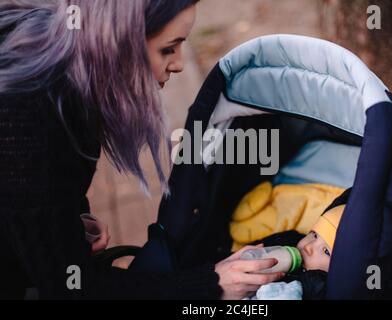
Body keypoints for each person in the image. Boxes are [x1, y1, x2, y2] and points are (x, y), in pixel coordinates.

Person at [0, 0, 283, 299]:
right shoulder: (33, 125)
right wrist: (211, 284)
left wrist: (64, 220)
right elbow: (74, 288)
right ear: (119, 43)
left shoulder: (48, 48)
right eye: (167, 49)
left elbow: (28, 198)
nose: (179, 64)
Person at [245, 201, 346, 300]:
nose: (308, 247)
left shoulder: (319, 289)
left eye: (326, 251)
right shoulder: (286, 241)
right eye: (314, 235)